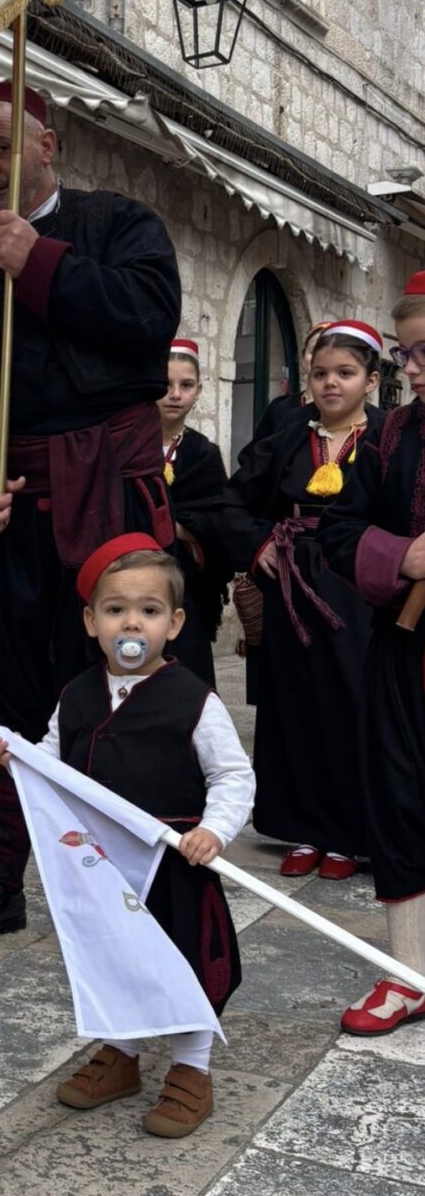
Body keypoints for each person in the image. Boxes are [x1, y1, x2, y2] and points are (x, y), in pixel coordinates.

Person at [0, 81, 181, 951]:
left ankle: (118, 880)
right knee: (1, 701)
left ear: (46, 144)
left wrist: (42, 264)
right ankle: (2, 881)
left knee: (113, 689)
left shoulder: (119, 224)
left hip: (107, 500)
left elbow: (149, 319)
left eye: (1, 150)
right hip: (8, 515)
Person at [0, 533, 254, 1137]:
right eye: (115, 609)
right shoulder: (77, 695)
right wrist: (19, 758)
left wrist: (214, 830)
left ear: (174, 624)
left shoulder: (194, 701)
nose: (131, 622)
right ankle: (122, 1052)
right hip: (103, 868)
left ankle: (192, 1067)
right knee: (113, 957)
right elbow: (51, 761)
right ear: (91, 622)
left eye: (149, 610)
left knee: (182, 962)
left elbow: (233, 775)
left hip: (173, 864)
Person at [221, 320, 383, 880]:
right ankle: (303, 827)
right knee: (293, 705)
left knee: (352, 704)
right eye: (320, 374)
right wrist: (258, 543)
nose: (330, 383)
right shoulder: (287, 435)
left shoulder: (387, 439)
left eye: (345, 373)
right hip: (289, 581)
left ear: (371, 380)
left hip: (356, 588)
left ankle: (349, 835)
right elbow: (231, 501)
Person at [319, 275, 425, 1034]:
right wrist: (403, 556)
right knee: (401, 800)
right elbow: (338, 531)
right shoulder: (388, 439)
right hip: (404, 649)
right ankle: (410, 972)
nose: (410, 369)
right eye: (405, 353)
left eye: (424, 353)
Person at [157, 340, 233, 686]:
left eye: (186, 385)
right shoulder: (127, 446)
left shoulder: (204, 453)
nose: (175, 394)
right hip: (131, 577)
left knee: (186, 672)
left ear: (199, 390)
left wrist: (172, 526)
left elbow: (217, 519)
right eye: (166, 384)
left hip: (186, 583)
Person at [246, 320, 332, 447]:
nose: (319, 357)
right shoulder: (280, 408)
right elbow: (255, 454)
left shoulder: (351, 412)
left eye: (328, 351)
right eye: (313, 350)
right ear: (303, 358)